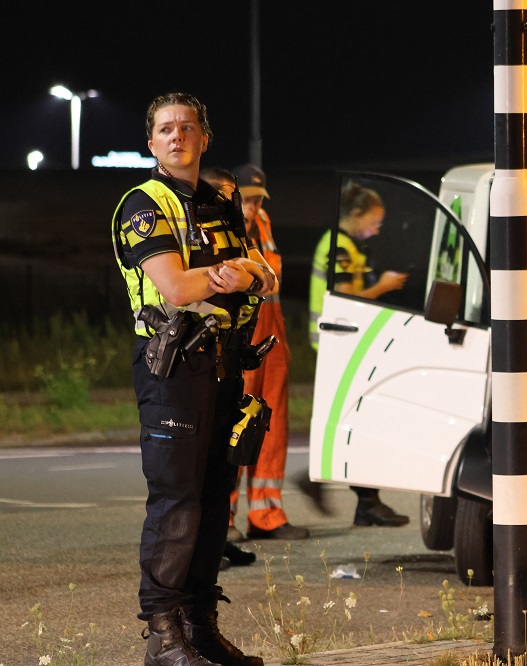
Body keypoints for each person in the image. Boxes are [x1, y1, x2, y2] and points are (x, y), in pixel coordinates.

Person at [111, 92, 273, 666]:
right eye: (165, 129)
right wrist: (232, 277)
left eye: (187, 127)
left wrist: (241, 275)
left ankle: (201, 630)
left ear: (205, 137)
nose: (177, 136)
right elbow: (175, 289)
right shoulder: (142, 205)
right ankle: (163, 636)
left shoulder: (222, 202)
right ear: (151, 143)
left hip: (225, 364)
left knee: (212, 501)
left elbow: (267, 277)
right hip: (172, 368)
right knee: (176, 503)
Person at [302, 182, 410, 527]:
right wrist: (385, 285)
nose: (376, 229)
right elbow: (349, 298)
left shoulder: (349, 246)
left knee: (357, 422)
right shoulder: (340, 249)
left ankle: (367, 501)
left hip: (345, 343)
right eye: (374, 222)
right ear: (356, 214)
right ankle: (327, 485)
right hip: (338, 344)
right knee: (355, 422)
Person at [222, 163, 308, 541]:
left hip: (271, 339)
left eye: (259, 199)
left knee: (270, 428)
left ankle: (266, 513)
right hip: (239, 339)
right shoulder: (222, 224)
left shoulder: (263, 222)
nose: (255, 206)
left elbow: (270, 277)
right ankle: (222, 519)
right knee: (233, 426)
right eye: (249, 198)